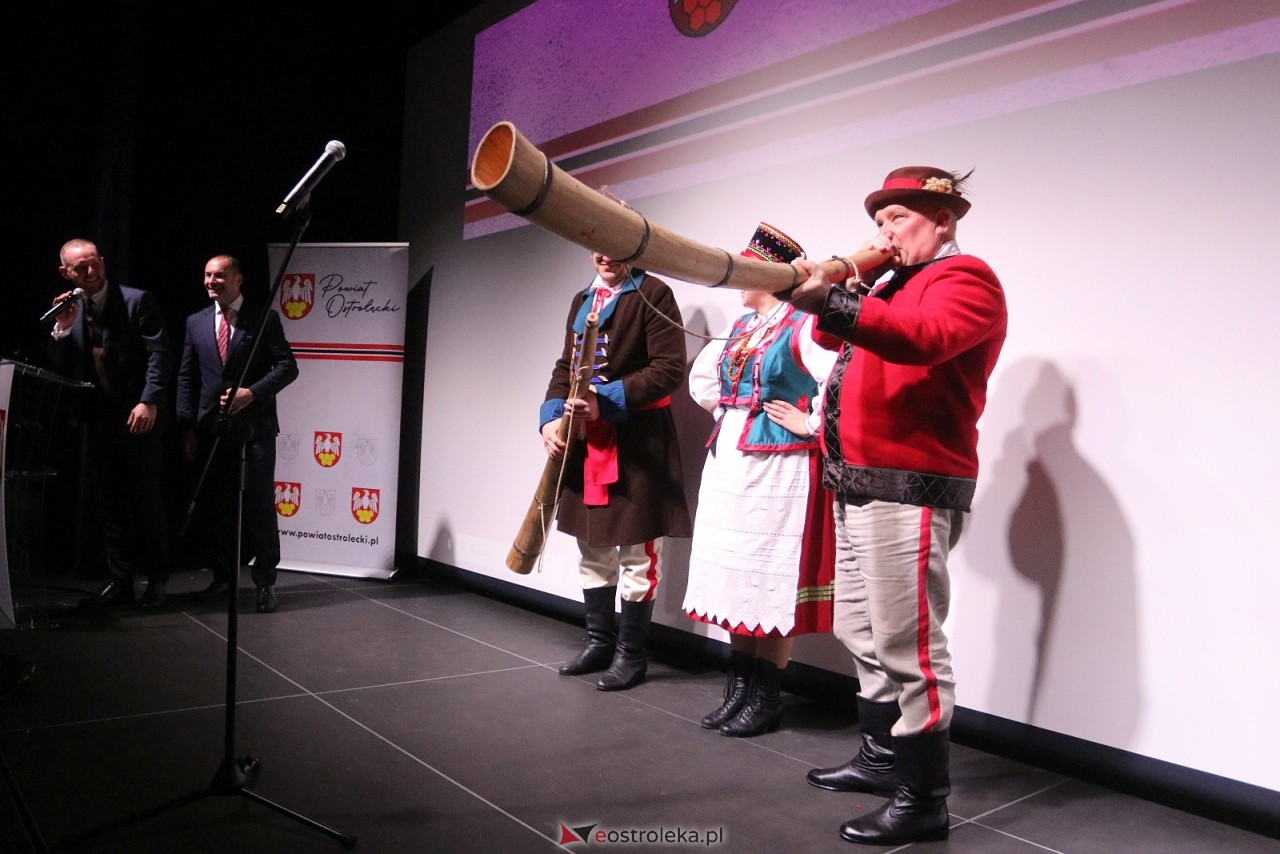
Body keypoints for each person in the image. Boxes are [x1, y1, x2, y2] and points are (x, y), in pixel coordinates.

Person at [784, 167, 1007, 846]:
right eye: (879, 223)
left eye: (898, 220)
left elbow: (923, 339)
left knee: (911, 647)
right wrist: (848, 284)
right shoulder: (894, 283)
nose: (885, 233)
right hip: (858, 481)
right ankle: (883, 760)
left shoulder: (965, 277)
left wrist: (837, 297)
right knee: (860, 628)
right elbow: (831, 339)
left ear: (943, 220)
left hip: (910, 483)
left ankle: (924, 799)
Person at [681, 223, 837, 738]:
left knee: (768, 575)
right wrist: (728, 412)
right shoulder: (743, 325)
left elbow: (838, 378)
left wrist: (809, 422)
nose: (736, 281)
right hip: (731, 459)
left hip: (779, 464)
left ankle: (765, 696)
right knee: (733, 574)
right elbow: (703, 380)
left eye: (745, 271)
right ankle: (740, 686)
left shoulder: (803, 324)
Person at [541, 229, 693, 692]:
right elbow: (566, 367)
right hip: (587, 441)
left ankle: (632, 655)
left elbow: (669, 369)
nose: (605, 255)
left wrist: (604, 400)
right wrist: (549, 418)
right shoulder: (582, 299)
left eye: (616, 246)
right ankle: (599, 642)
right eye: (599, 245)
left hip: (638, 444)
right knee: (592, 545)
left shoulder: (653, 294)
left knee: (637, 555)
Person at [47, 239, 172, 609]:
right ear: (65, 273)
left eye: (94, 264)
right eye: (80, 268)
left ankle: (157, 579)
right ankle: (121, 581)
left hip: (138, 416)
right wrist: (63, 328)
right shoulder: (71, 309)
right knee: (110, 505)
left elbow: (159, 353)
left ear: (102, 261)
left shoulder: (136, 301)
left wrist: (149, 400)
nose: (90, 272)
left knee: (145, 501)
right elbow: (61, 366)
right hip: (97, 419)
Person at [176, 255, 298, 613]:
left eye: (219, 275)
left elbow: (287, 367)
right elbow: (186, 375)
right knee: (217, 507)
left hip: (255, 428)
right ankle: (223, 577)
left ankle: (265, 582)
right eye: (207, 275)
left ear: (238, 279)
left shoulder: (263, 318)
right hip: (211, 429)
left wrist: (252, 393)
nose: (211, 281)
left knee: (259, 505)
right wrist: (186, 425)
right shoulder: (196, 322)